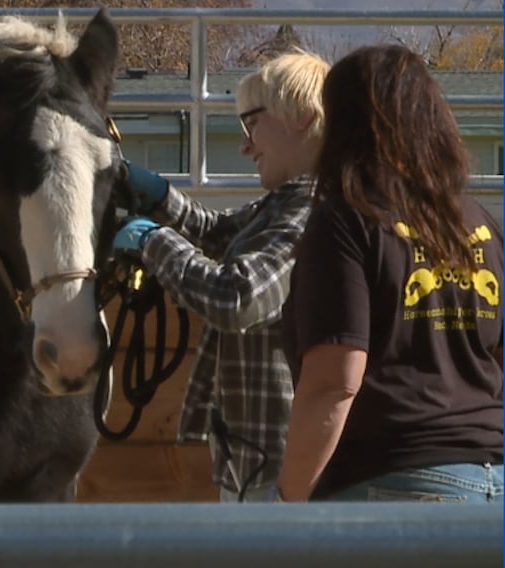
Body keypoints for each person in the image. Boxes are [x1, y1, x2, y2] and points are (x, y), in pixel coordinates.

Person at [275, 44, 503, 503]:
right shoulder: (478, 223)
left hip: (393, 484)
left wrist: (288, 501)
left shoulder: (346, 220)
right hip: (493, 485)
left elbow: (333, 381)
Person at [111, 50, 330, 502]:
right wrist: (152, 193)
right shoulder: (282, 205)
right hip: (253, 458)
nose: (246, 144)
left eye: (252, 123)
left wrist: (151, 240)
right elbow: (215, 233)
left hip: (279, 471)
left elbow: (237, 299)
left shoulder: (313, 214)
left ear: (302, 119)